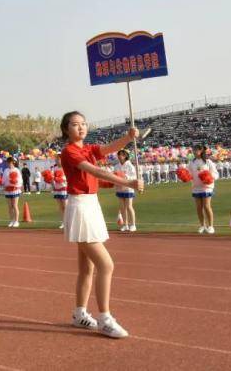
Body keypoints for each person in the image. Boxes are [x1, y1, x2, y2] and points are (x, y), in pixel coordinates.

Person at [60, 111, 143, 339]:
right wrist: (127, 182)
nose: (81, 127)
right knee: (106, 265)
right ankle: (105, 318)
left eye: (83, 124)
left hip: (90, 205)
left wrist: (128, 137)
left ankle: (79, 314)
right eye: (75, 125)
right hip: (80, 207)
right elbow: (95, 170)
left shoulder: (88, 148)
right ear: (66, 129)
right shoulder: (69, 151)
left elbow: (108, 148)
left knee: (87, 268)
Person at [189, 144, 218, 234]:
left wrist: (209, 177)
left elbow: (216, 174)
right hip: (196, 187)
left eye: (195, 150)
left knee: (206, 206)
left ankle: (211, 226)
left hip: (206, 187)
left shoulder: (208, 162)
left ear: (200, 151)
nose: (194, 152)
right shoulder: (191, 163)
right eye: (193, 150)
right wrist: (185, 176)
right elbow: (189, 174)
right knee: (198, 207)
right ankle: (202, 225)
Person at [114, 150, 138, 232]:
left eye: (121, 155)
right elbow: (114, 176)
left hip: (128, 188)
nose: (119, 156)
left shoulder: (130, 165)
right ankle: (125, 225)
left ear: (125, 156)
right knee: (122, 207)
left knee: (129, 207)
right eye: (118, 155)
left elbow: (134, 177)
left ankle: (133, 225)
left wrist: (124, 176)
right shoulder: (116, 166)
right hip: (119, 188)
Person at [3, 158, 22, 228]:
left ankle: (16, 221)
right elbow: (4, 180)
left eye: (10, 162)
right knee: (10, 206)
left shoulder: (17, 170)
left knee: (14, 205)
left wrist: (15, 183)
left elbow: (20, 180)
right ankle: (12, 220)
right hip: (8, 190)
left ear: (13, 162)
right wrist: (3, 184)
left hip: (15, 189)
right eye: (8, 162)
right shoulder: (6, 170)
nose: (8, 163)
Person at [52, 161, 68, 229]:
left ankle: (68, 222)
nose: (58, 161)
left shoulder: (66, 167)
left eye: (59, 159)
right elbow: (52, 178)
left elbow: (66, 178)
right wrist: (52, 183)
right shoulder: (54, 168)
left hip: (64, 188)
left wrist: (60, 179)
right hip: (57, 189)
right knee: (61, 207)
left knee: (66, 207)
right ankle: (63, 222)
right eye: (57, 159)